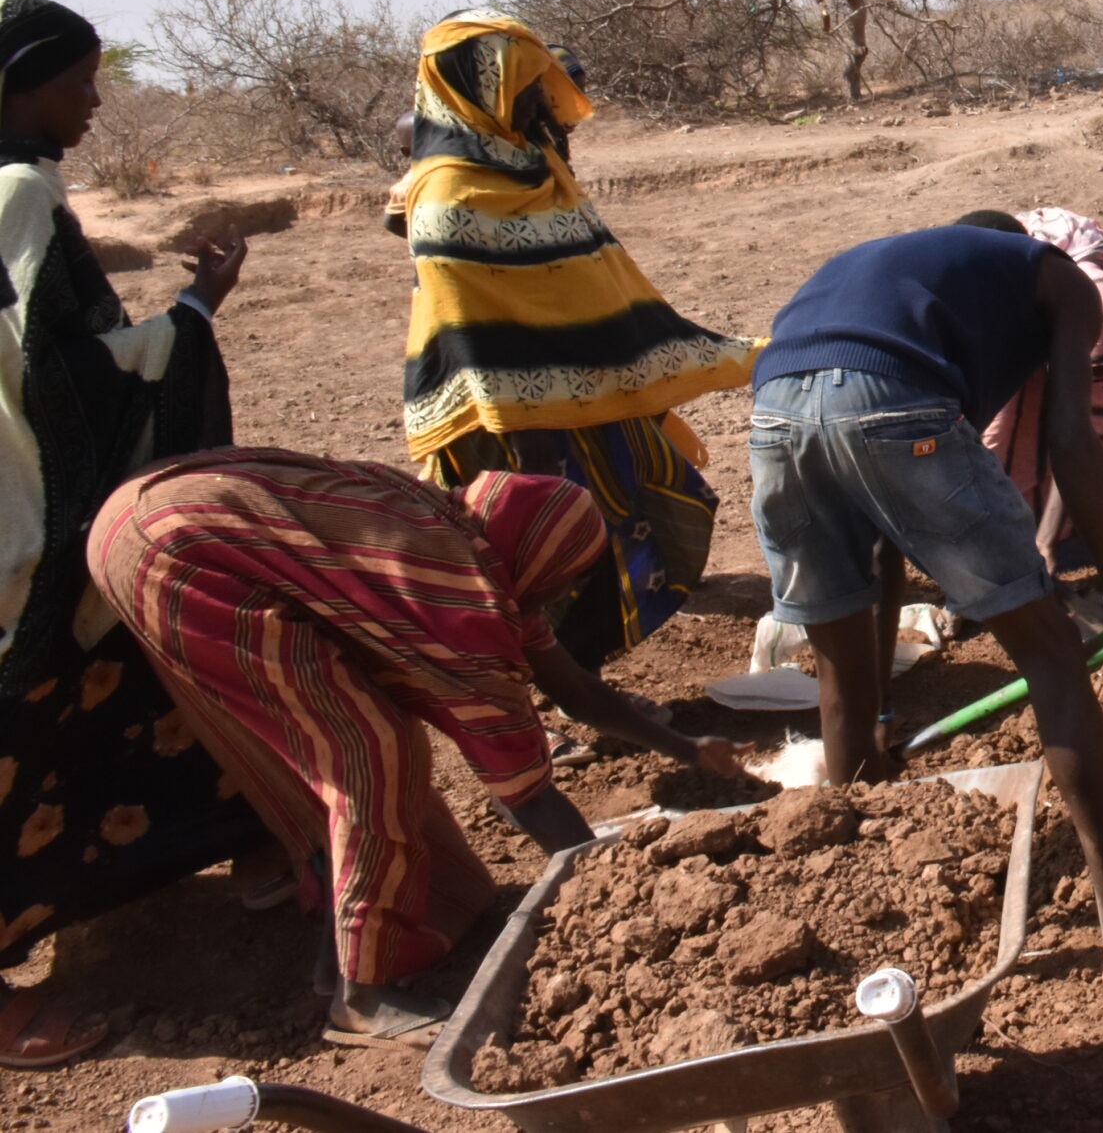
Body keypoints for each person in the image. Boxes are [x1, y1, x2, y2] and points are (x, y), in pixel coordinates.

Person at [747, 221, 1103, 1010]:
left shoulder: (889, 274)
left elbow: (881, 554)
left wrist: (879, 714)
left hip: (776, 410)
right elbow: (1071, 437)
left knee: (841, 686)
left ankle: (877, 963)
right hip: (889, 397)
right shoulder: (1059, 276)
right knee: (1053, 660)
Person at [89, 448, 742, 1048]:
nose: (556, 598)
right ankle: (362, 1000)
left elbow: (571, 686)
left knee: (352, 743)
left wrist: (686, 747)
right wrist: (614, 884)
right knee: (370, 754)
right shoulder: (456, 589)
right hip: (178, 553)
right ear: (535, 562)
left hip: (144, 519)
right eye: (561, 582)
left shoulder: (475, 538)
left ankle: (341, 956)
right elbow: (526, 795)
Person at [0, 0, 264, 1068]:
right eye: (78, 82)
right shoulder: (19, 193)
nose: (95, 102)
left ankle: (227, 852)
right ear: (20, 85)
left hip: (25, 495)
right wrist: (193, 316)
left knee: (130, 673)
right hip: (24, 511)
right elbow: (53, 373)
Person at [388, 10, 758, 675]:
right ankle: (549, 690)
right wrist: (533, 446)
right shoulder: (447, 192)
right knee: (536, 558)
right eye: (527, 83)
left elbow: (592, 280)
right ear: (481, 89)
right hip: (508, 428)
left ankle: (577, 673)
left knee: (656, 514)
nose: (542, 97)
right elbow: (476, 330)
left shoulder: (534, 166)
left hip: (586, 392)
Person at [976, 208, 1103, 581]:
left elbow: (1082, 437)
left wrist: (1047, 541)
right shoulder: (980, 272)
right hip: (1035, 317)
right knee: (1007, 436)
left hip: (1102, 346)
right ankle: (1012, 559)